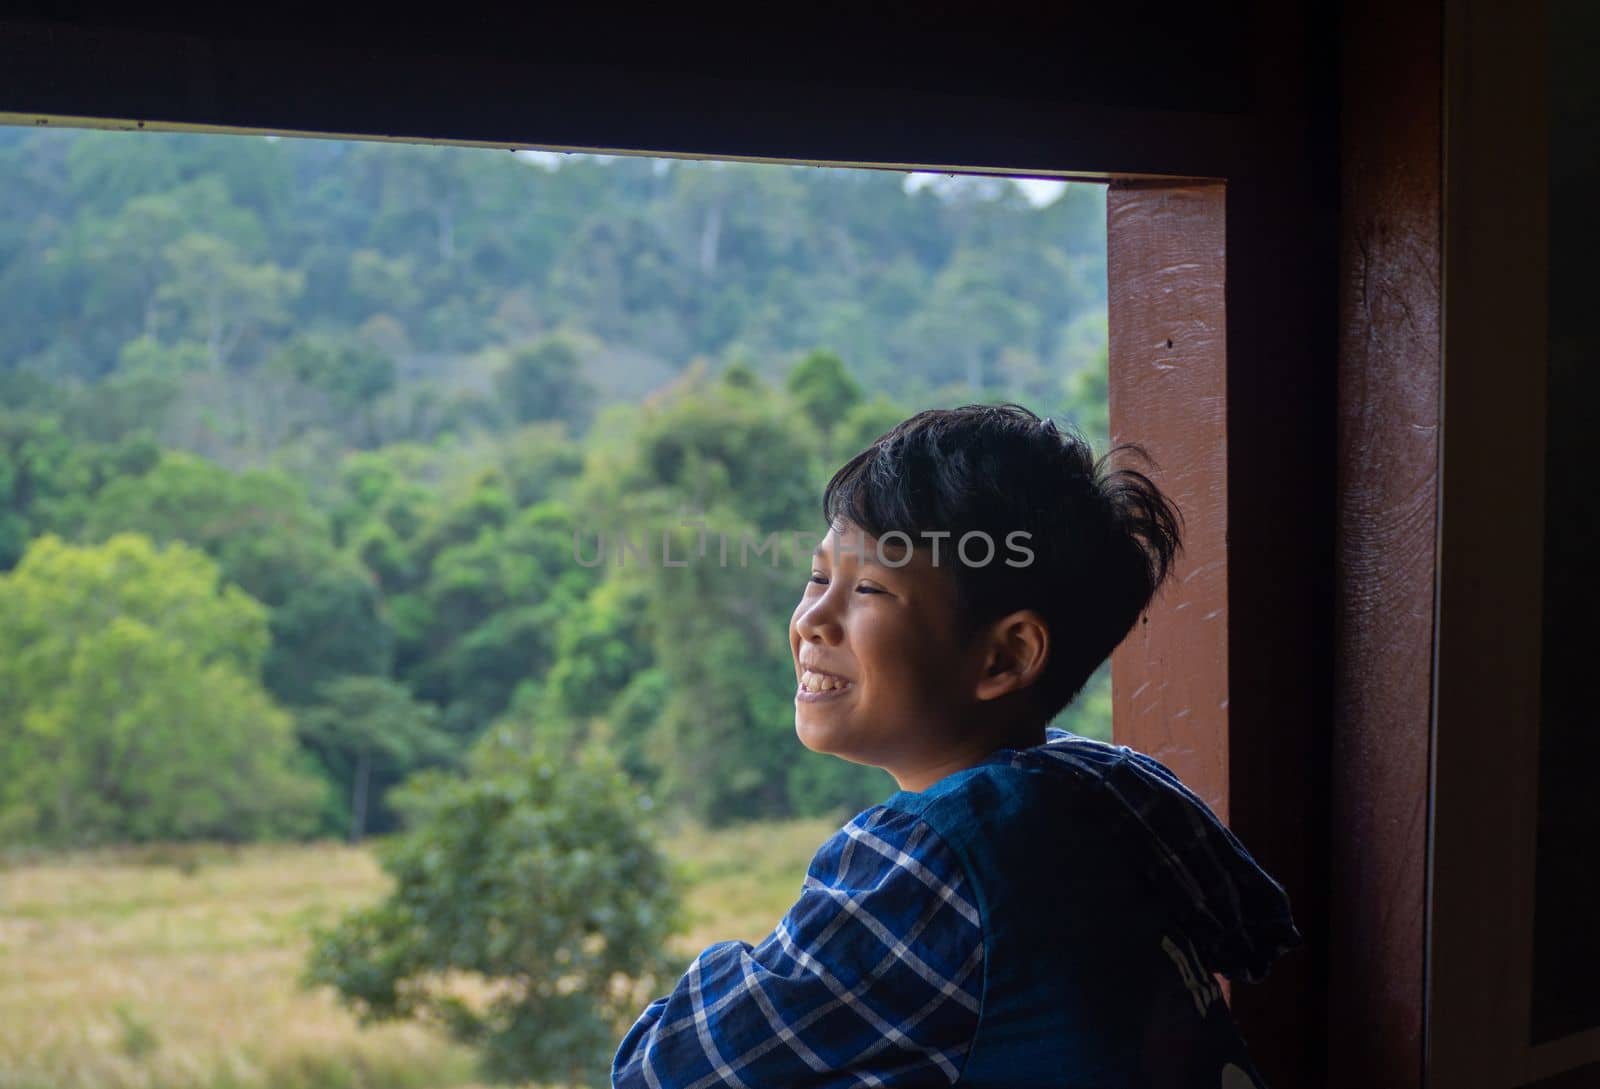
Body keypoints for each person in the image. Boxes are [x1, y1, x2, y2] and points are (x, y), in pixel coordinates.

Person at [611, 403, 1301, 1088]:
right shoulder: (1110, 786)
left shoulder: (933, 860)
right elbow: (1256, 925)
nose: (813, 620)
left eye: (871, 588)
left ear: (1005, 657)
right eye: (820, 576)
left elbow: (669, 1069)